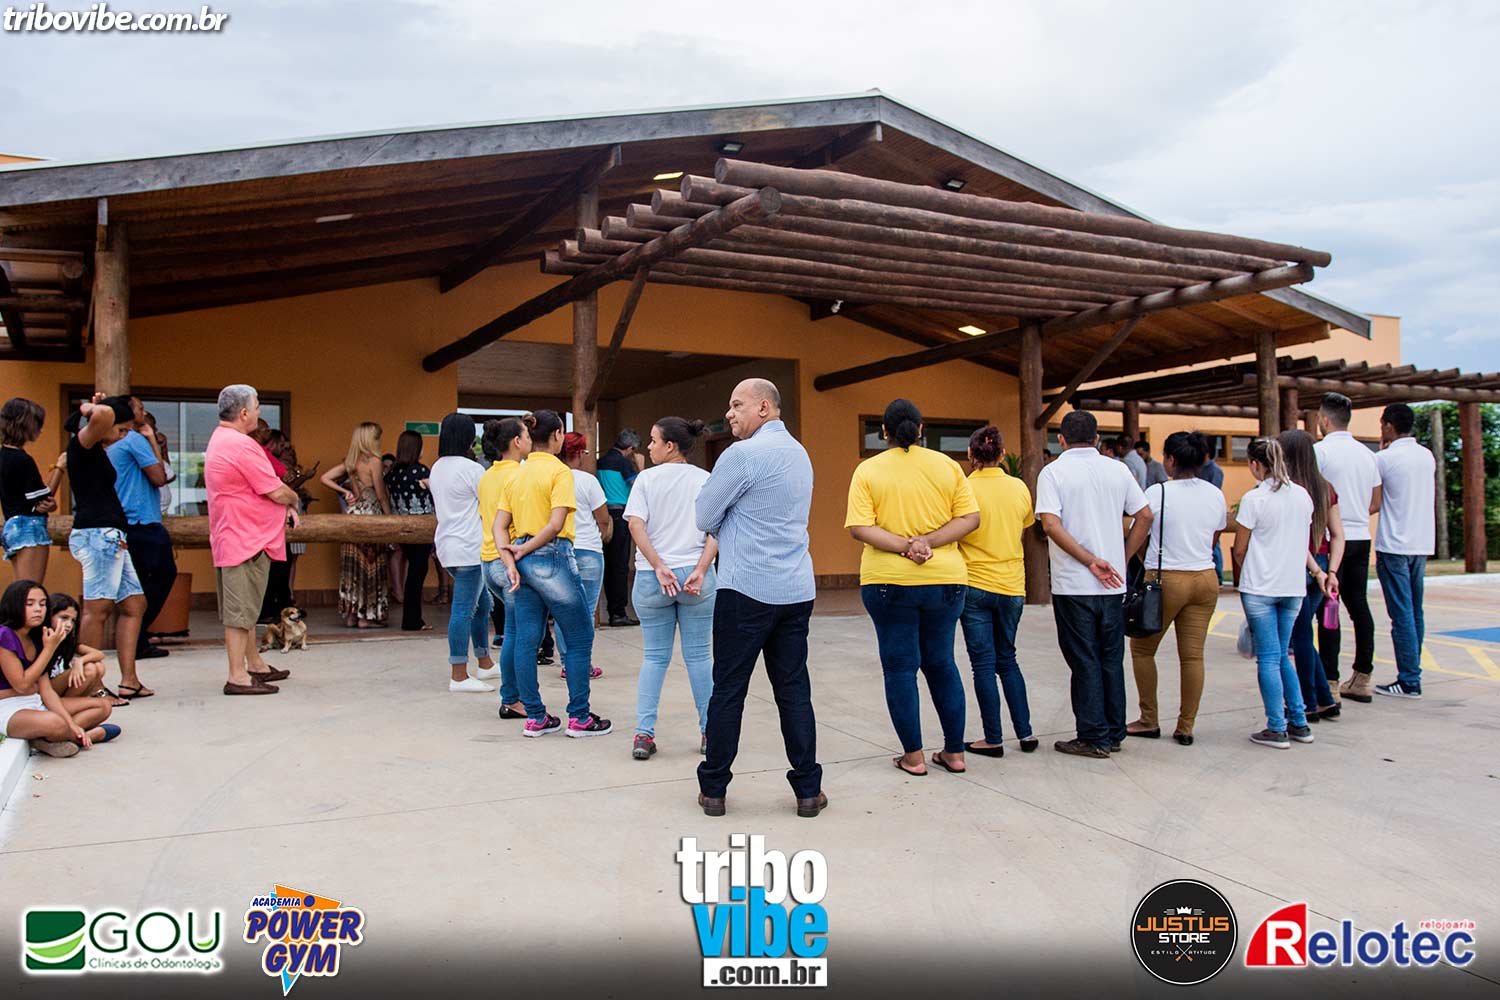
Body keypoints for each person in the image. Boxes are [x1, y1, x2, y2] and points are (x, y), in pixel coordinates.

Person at [695, 379, 825, 818]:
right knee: (794, 691)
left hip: (746, 588)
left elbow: (704, 515)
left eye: (737, 405)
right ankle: (808, 790)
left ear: (764, 407)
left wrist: (730, 519)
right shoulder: (800, 454)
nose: (729, 414)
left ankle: (714, 789)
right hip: (795, 589)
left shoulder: (742, 455)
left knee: (729, 691)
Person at [848, 399, 979, 777]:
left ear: (884, 432)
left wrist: (905, 546)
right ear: (921, 429)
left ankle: (914, 757)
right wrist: (929, 542)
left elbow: (860, 527)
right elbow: (970, 518)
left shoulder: (868, 470)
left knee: (900, 668)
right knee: (942, 663)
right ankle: (954, 753)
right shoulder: (948, 466)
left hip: (889, 581)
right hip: (946, 579)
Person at [1036, 410, 1153, 758]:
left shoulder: (1053, 472)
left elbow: (1050, 525)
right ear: (1097, 439)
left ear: (1061, 439)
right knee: (1110, 658)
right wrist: (1123, 556)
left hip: (1073, 584)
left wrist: (1088, 560)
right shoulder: (1118, 469)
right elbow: (1145, 515)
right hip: (1112, 584)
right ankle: (1114, 731)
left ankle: (1093, 736)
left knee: (1084, 659)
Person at [493, 410, 611, 738]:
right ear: (558, 435)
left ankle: (535, 716)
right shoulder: (560, 472)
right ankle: (580, 717)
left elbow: (499, 526)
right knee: (579, 637)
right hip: (553, 554)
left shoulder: (516, 474)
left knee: (526, 638)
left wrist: (511, 558)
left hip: (520, 556)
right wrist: (526, 550)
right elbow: (556, 524)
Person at [1125, 431, 1225, 747]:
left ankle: (1149, 718)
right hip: (1205, 578)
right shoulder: (1214, 494)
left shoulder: (1158, 493)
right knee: (1193, 656)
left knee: (1143, 649)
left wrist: (1139, 559)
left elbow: (1138, 534)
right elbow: (1214, 538)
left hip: (1166, 578)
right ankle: (1186, 726)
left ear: (1170, 460)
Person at [626, 418, 717, 760]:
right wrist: (701, 568)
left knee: (654, 657)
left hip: (654, 579)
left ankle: (643, 734)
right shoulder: (705, 480)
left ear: (670, 446)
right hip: (696, 577)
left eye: (653, 441)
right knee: (700, 658)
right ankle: (710, 732)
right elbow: (716, 530)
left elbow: (636, 525)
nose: (648, 447)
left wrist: (659, 566)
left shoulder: (646, 480)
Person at [204, 385, 300, 695]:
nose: (259, 412)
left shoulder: (223, 439)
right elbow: (276, 490)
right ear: (244, 413)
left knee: (245, 609)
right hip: (243, 538)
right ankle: (237, 676)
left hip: (239, 536)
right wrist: (293, 500)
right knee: (239, 613)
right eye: (257, 406)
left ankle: (254, 664)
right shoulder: (239, 445)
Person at [1233, 437, 1325, 749]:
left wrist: (1249, 570)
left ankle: (1276, 726)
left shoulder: (1254, 499)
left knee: (1269, 659)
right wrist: (1317, 571)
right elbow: (1300, 541)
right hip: (1293, 587)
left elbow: (1240, 549)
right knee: (1283, 654)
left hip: (1260, 588)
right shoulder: (1302, 496)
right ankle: (1298, 721)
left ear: (1256, 464)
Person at [64, 394, 154, 700]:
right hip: (96, 534)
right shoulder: (83, 443)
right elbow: (101, 414)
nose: (124, 435)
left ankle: (129, 680)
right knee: (97, 610)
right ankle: (90, 686)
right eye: (122, 429)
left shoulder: (97, 448)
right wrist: (90, 408)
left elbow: (105, 415)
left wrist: (102, 413)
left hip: (112, 536)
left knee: (135, 604)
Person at [957, 425, 1037, 757]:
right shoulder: (1019, 487)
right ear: (1003, 454)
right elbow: (1024, 525)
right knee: (1008, 659)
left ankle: (993, 738)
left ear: (970, 454)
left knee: (983, 665)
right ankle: (1026, 733)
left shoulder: (963, 488)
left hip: (975, 584)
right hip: (1012, 585)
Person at [0, 580, 118, 757]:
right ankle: (87, 736)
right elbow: (23, 685)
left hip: (35, 701)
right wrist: (49, 648)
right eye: (30, 604)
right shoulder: (4, 635)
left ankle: (49, 739)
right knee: (55, 722)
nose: (38, 609)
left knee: (103, 706)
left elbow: (46, 690)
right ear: (14, 605)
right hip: (8, 708)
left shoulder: (38, 636)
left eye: (42, 604)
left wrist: (71, 724)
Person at [1315, 393, 1381, 703]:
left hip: (1331, 538)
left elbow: (1313, 498)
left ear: (1325, 420)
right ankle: (1362, 677)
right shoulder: (1368, 455)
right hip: (1360, 536)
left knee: (1329, 608)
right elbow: (1376, 501)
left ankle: (1330, 681)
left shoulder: (1320, 452)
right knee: (1359, 606)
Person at [429, 413, 498, 694]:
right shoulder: (472, 469)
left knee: (481, 604)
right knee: (464, 609)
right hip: (470, 548)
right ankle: (458, 674)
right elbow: (489, 504)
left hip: (448, 545)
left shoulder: (437, 467)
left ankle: (485, 662)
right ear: (469, 438)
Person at [1371, 402, 1435, 700]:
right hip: (1420, 543)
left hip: (1394, 544)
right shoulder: (1426, 456)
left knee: (1401, 614)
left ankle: (1409, 680)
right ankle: (1413, 673)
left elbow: (1374, 501)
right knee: (1414, 611)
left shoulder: (1383, 458)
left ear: (1388, 425)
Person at [1280, 429, 1344, 722]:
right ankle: (1325, 699)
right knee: (1305, 633)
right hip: (1322, 561)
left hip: (1300, 563)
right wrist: (1331, 571)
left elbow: (1295, 538)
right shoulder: (1325, 487)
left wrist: (1316, 570)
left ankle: (1308, 702)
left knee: (1301, 637)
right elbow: (1338, 534)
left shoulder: (1289, 489)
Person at [108, 396, 176, 661]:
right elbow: (160, 477)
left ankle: (136, 638)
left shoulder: (109, 442)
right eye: (139, 407)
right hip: (142, 522)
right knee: (162, 575)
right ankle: (137, 635)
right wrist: (151, 441)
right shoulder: (133, 440)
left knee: (136, 583)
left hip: (125, 521)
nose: (144, 411)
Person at [479, 418, 531, 717]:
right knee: (517, 633)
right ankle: (512, 698)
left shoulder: (487, 476)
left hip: (488, 560)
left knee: (513, 630)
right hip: (508, 560)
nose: (530, 441)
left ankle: (513, 696)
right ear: (517, 442)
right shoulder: (519, 475)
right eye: (527, 436)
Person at [321, 422, 391, 628]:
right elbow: (381, 495)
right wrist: (390, 520)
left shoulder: (351, 461)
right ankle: (366, 617)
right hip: (371, 517)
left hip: (353, 516)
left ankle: (351, 615)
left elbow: (324, 478)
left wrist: (345, 492)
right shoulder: (374, 461)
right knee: (372, 566)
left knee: (352, 567)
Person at [558, 431, 611, 680]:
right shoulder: (588, 481)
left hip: (560, 548)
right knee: (587, 610)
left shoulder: (552, 478)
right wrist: (602, 533)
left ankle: (567, 663)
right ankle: (583, 664)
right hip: (588, 548)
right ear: (579, 453)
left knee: (562, 610)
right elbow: (603, 517)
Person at [1, 398, 60, 585]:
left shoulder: (3, 456)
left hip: (11, 525)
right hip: (30, 526)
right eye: (37, 424)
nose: (40, 430)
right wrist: (60, 468)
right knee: (30, 590)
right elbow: (45, 498)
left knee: (21, 589)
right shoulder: (22, 460)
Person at [385, 429, 435, 632]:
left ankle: (412, 618)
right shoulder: (421, 471)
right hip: (422, 527)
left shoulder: (392, 473)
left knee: (413, 570)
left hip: (401, 526)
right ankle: (412, 619)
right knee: (417, 571)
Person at [597, 429, 644, 627]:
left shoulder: (600, 461)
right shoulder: (624, 463)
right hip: (620, 514)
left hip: (603, 515)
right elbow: (640, 485)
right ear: (630, 448)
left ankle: (611, 611)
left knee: (608, 564)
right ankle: (618, 613)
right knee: (620, 566)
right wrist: (640, 466)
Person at [43, 592, 114, 703]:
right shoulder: (43, 639)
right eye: (64, 618)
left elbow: (99, 654)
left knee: (98, 666)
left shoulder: (66, 641)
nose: (69, 625)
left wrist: (79, 661)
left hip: (60, 687)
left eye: (73, 621)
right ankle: (66, 705)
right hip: (45, 689)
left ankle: (71, 703)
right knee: (90, 670)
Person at [1196, 446, 1226, 581]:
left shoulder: (1215, 470)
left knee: (1215, 542)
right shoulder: (1199, 468)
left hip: (1210, 509)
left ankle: (1218, 574)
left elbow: (1215, 490)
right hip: (1199, 510)